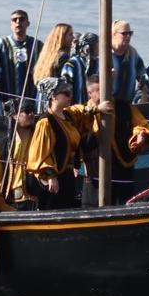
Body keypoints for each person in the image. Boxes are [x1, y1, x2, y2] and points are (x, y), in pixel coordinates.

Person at [26, 77, 106, 210]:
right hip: (55, 179)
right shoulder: (46, 122)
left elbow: (83, 111)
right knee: (54, 210)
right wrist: (50, 175)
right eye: (66, 93)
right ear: (53, 96)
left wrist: (97, 108)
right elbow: (40, 153)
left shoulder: (68, 115)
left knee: (68, 207)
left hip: (68, 175)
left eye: (71, 93)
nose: (70, 96)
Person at [79, 75, 149, 205]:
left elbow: (141, 125)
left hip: (122, 171)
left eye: (105, 88)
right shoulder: (83, 113)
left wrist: (140, 135)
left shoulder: (124, 107)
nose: (104, 93)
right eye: (98, 90)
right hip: (94, 174)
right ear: (90, 93)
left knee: (124, 208)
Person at [0, 98, 39, 210]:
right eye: (26, 111)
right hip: (12, 205)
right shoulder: (2, 148)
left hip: (37, 202)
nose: (31, 114)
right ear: (14, 116)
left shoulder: (39, 140)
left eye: (33, 110)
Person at [0, 9, 43, 101]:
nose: (18, 22)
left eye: (21, 19)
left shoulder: (37, 45)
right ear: (11, 24)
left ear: (28, 23)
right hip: (6, 98)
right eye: (14, 20)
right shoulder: (1, 44)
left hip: (30, 98)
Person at [111, 20, 149, 103]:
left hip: (127, 104)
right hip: (108, 104)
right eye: (124, 33)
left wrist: (142, 92)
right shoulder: (104, 54)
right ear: (114, 34)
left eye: (130, 33)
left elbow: (143, 76)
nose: (128, 36)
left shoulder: (133, 54)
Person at [31, 23, 74, 92]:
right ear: (62, 37)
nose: (73, 38)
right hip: (56, 96)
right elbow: (65, 82)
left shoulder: (46, 55)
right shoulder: (63, 56)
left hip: (42, 94)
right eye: (70, 34)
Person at [62, 31, 98, 106]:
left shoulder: (96, 63)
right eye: (97, 44)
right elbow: (65, 87)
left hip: (90, 108)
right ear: (89, 46)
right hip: (74, 108)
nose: (99, 48)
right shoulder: (72, 64)